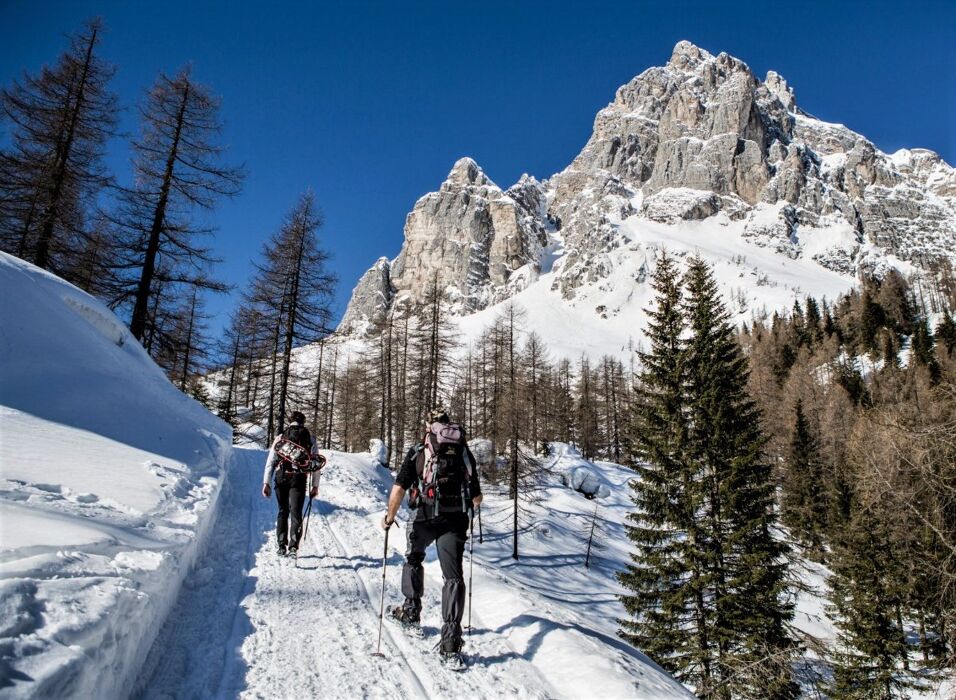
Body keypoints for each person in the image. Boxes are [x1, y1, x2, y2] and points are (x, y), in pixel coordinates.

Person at [381, 408, 482, 667]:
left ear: (429, 424)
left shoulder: (418, 450)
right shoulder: (463, 450)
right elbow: (477, 496)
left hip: (424, 516)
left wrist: (389, 517)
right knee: (454, 577)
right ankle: (450, 643)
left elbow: (399, 489)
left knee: (414, 558)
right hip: (455, 520)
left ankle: (411, 612)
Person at [262, 410, 321, 557]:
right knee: (296, 513)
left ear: (290, 421)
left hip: (282, 477)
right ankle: (294, 547)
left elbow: (271, 462)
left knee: (283, 511)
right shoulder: (310, 438)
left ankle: (281, 545)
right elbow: (315, 464)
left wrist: (266, 483)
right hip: (299, 478)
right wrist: (315, 486)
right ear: (303, 422)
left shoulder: (281, 437)